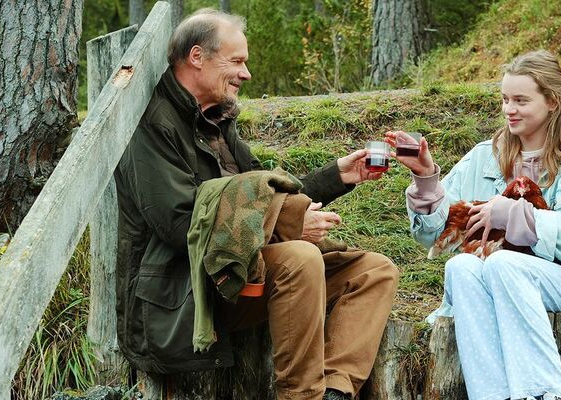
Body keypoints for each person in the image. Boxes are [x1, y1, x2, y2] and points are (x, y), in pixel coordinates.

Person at [114, 9, 398, 400]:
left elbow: (262, 191)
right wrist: (288, 223)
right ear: (197, 57)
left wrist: (336, 176)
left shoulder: (215, 120)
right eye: (237, 61)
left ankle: (335, 391)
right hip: (185, 293)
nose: (246, 74)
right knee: (300, 258)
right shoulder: (153, 125)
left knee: (373, 271)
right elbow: (180, 224)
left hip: (241, 272)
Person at [387, 50, 561, 400]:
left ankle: (543, 394)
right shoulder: (485, 155)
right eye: (505, 99)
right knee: (462, 266)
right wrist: (425, 177)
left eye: (521, 100)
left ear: (553, 101)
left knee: (503, 262)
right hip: (500, 274)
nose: (509, 109)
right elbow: (434, 234)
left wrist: (512, 215)